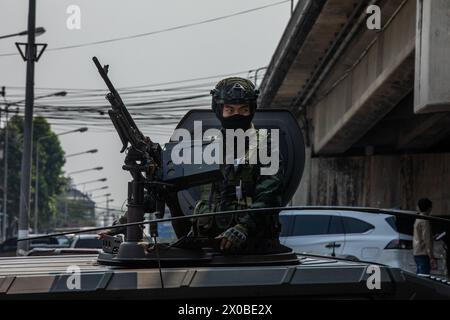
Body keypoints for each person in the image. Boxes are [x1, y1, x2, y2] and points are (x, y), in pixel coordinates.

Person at [99, 77, 284, 253]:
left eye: (243, 110)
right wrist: (124, 223)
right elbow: (167, 186)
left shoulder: (266, 146)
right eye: (230, 109)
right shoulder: (206, 148)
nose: (237, 115)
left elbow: (270, 195)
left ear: (252, 110)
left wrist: (243, 227)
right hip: (206, 245)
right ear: (219, 110)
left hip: (255, 246)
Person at [413, 198, 437, 275]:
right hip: (423, 253)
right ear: (429, 208)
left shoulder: (418, 219)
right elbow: (426, 240)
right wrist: (431, 257)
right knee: (424, 276)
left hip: (417, 251)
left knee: (419, 276)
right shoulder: (425, 220)